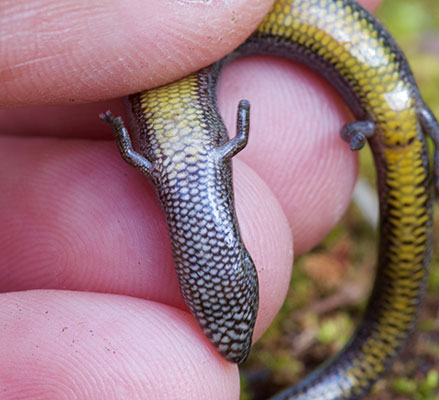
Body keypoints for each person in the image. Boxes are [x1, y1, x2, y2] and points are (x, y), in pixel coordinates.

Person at [0, 0, 381, 397]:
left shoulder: (174, 171)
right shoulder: (191, 164)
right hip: (185, 104)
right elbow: (139, 158)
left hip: (174, 115)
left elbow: (139, 157)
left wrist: (122, 132)